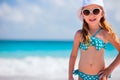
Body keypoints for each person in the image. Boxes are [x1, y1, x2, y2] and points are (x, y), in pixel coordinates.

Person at [68, 0, 120, 80]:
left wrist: (110, 69)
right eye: (86, 12)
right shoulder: (79, 34)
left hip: (100, 77)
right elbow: (73, 55)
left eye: (95, 11)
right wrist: (70, 76)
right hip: (82, 77)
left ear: (102, 13)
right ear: (83, 15)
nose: (91, 15)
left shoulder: (106, 34)